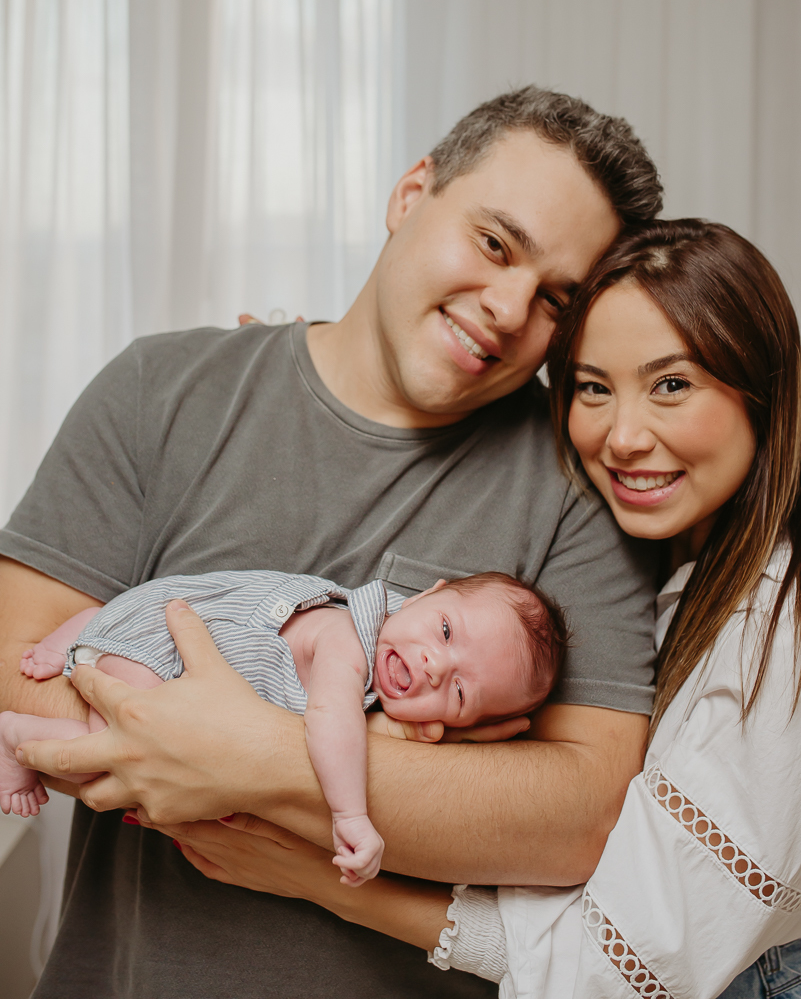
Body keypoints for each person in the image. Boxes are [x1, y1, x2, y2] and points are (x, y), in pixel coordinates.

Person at [2, 85, 663, 999]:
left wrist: (251, 758)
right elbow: (17, 663)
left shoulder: (577, 486)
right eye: (493, 242)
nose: (510, 307)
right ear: (410, 195)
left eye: (555, 297)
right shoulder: (160, 389)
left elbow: (582, 817)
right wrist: (393, 767)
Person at [167, 220, 801, 999]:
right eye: (593, 388)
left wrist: (321, 879)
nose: (623, 436)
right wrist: (316, 366)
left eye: (671, 384)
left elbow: (619, 966)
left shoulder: (775, 630)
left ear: (763, 388)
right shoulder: (669, 554)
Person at [1, 568, 565, 889]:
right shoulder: (344, 637)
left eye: (459, 692)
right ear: (427, 593)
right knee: (121, 754)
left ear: (453, 724)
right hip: (155, 648)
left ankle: (77, 639)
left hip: (146, 615)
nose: (434, 664)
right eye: (444, 630)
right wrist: (351, 817)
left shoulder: (374, 636)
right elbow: (328, 722)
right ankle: (17, 736)